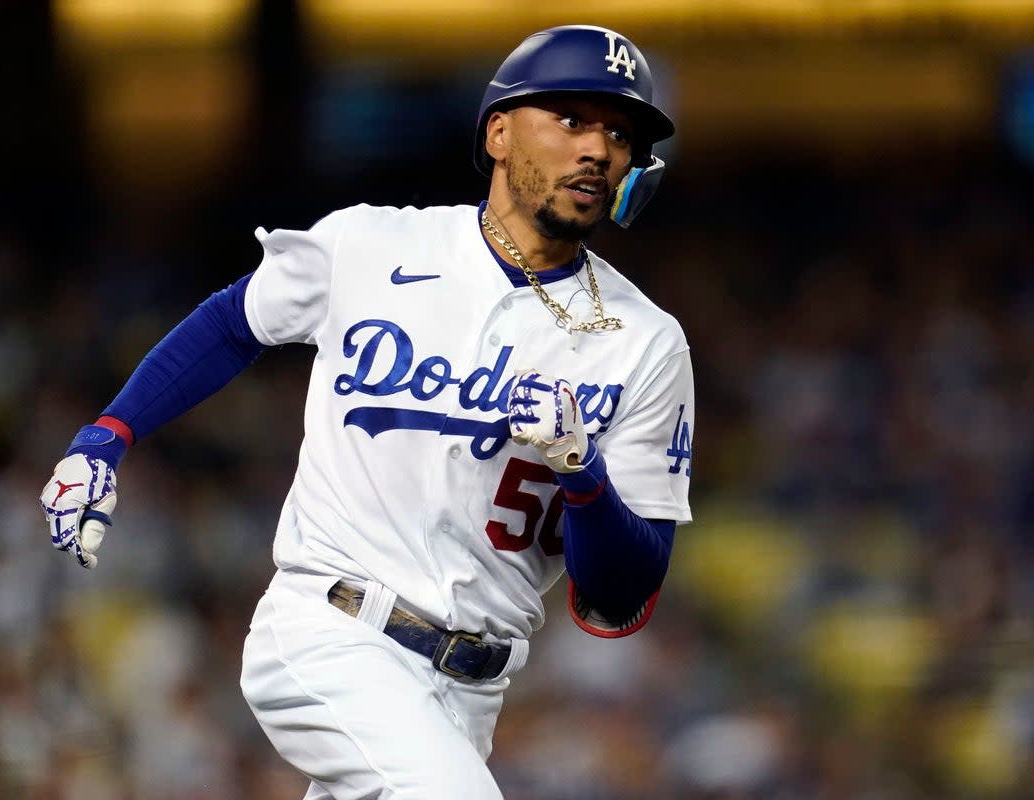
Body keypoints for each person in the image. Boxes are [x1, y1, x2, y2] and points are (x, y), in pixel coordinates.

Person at [40, 23, 694, 798]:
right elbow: (231, 322)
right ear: (498, 131)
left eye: (619, 133)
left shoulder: (647, 343)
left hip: (472, 690)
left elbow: (623, 593)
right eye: (572, 120)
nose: (596, 148)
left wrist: (582, 473)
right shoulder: (372, 246)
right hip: (333, 632)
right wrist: (108, 433)